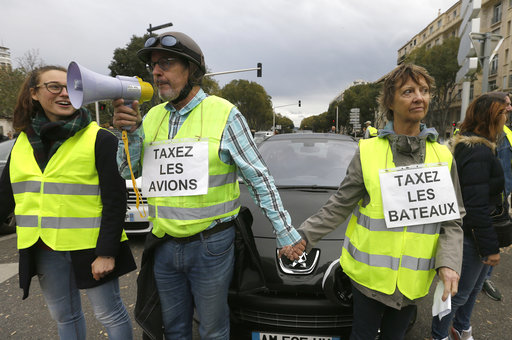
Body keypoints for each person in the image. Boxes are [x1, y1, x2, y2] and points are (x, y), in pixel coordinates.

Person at [112, 31, 305, 339]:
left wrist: (285, 233)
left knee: (213, 330)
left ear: (192, 70)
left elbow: (259, 177)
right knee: (173, 329)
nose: (157, 72)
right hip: (163, 244)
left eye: (167, 63)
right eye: (154, 65)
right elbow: (127, 171)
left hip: (211, 246)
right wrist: (131, 134)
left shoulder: (225, 114)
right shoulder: (150, 118)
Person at [298, 63, 464, 340]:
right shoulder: (368, 152)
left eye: (424, 91)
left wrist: (449, 264)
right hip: (368, 280)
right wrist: (304, 236)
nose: (419, 98)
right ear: (390, 101)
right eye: (408, 91)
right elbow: (340, 204)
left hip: (412, 282)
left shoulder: (443, 156)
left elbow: (452, 221)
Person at [0, 66, 136, 339]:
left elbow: (115, 200)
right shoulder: (22, 143)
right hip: (44, 247)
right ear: (34, 94)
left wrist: (107, 253)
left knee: (109, 314)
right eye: (54, 87)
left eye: (71, 87)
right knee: (65, 317)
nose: (65, 93)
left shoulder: (99, 138)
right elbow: (5, 198)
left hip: (92, 248)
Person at [431, 93, 505, 340]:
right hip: (471, 236)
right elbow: (476, 206)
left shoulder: (473, 146)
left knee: (470, 291)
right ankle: (440, 334)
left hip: (474, 234)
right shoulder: (479, 153)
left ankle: (460, 328)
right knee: (457, 294)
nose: (506, 118)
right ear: (490, 118)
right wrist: (489, 247)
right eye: (503, 114)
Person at [481, 92, 512, 302]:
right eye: (506, 104)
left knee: (494, 239)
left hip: (501, 199)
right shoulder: (484, 135)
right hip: (484, 201)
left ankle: (484, 277)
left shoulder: (507, 133)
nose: (509, 108)